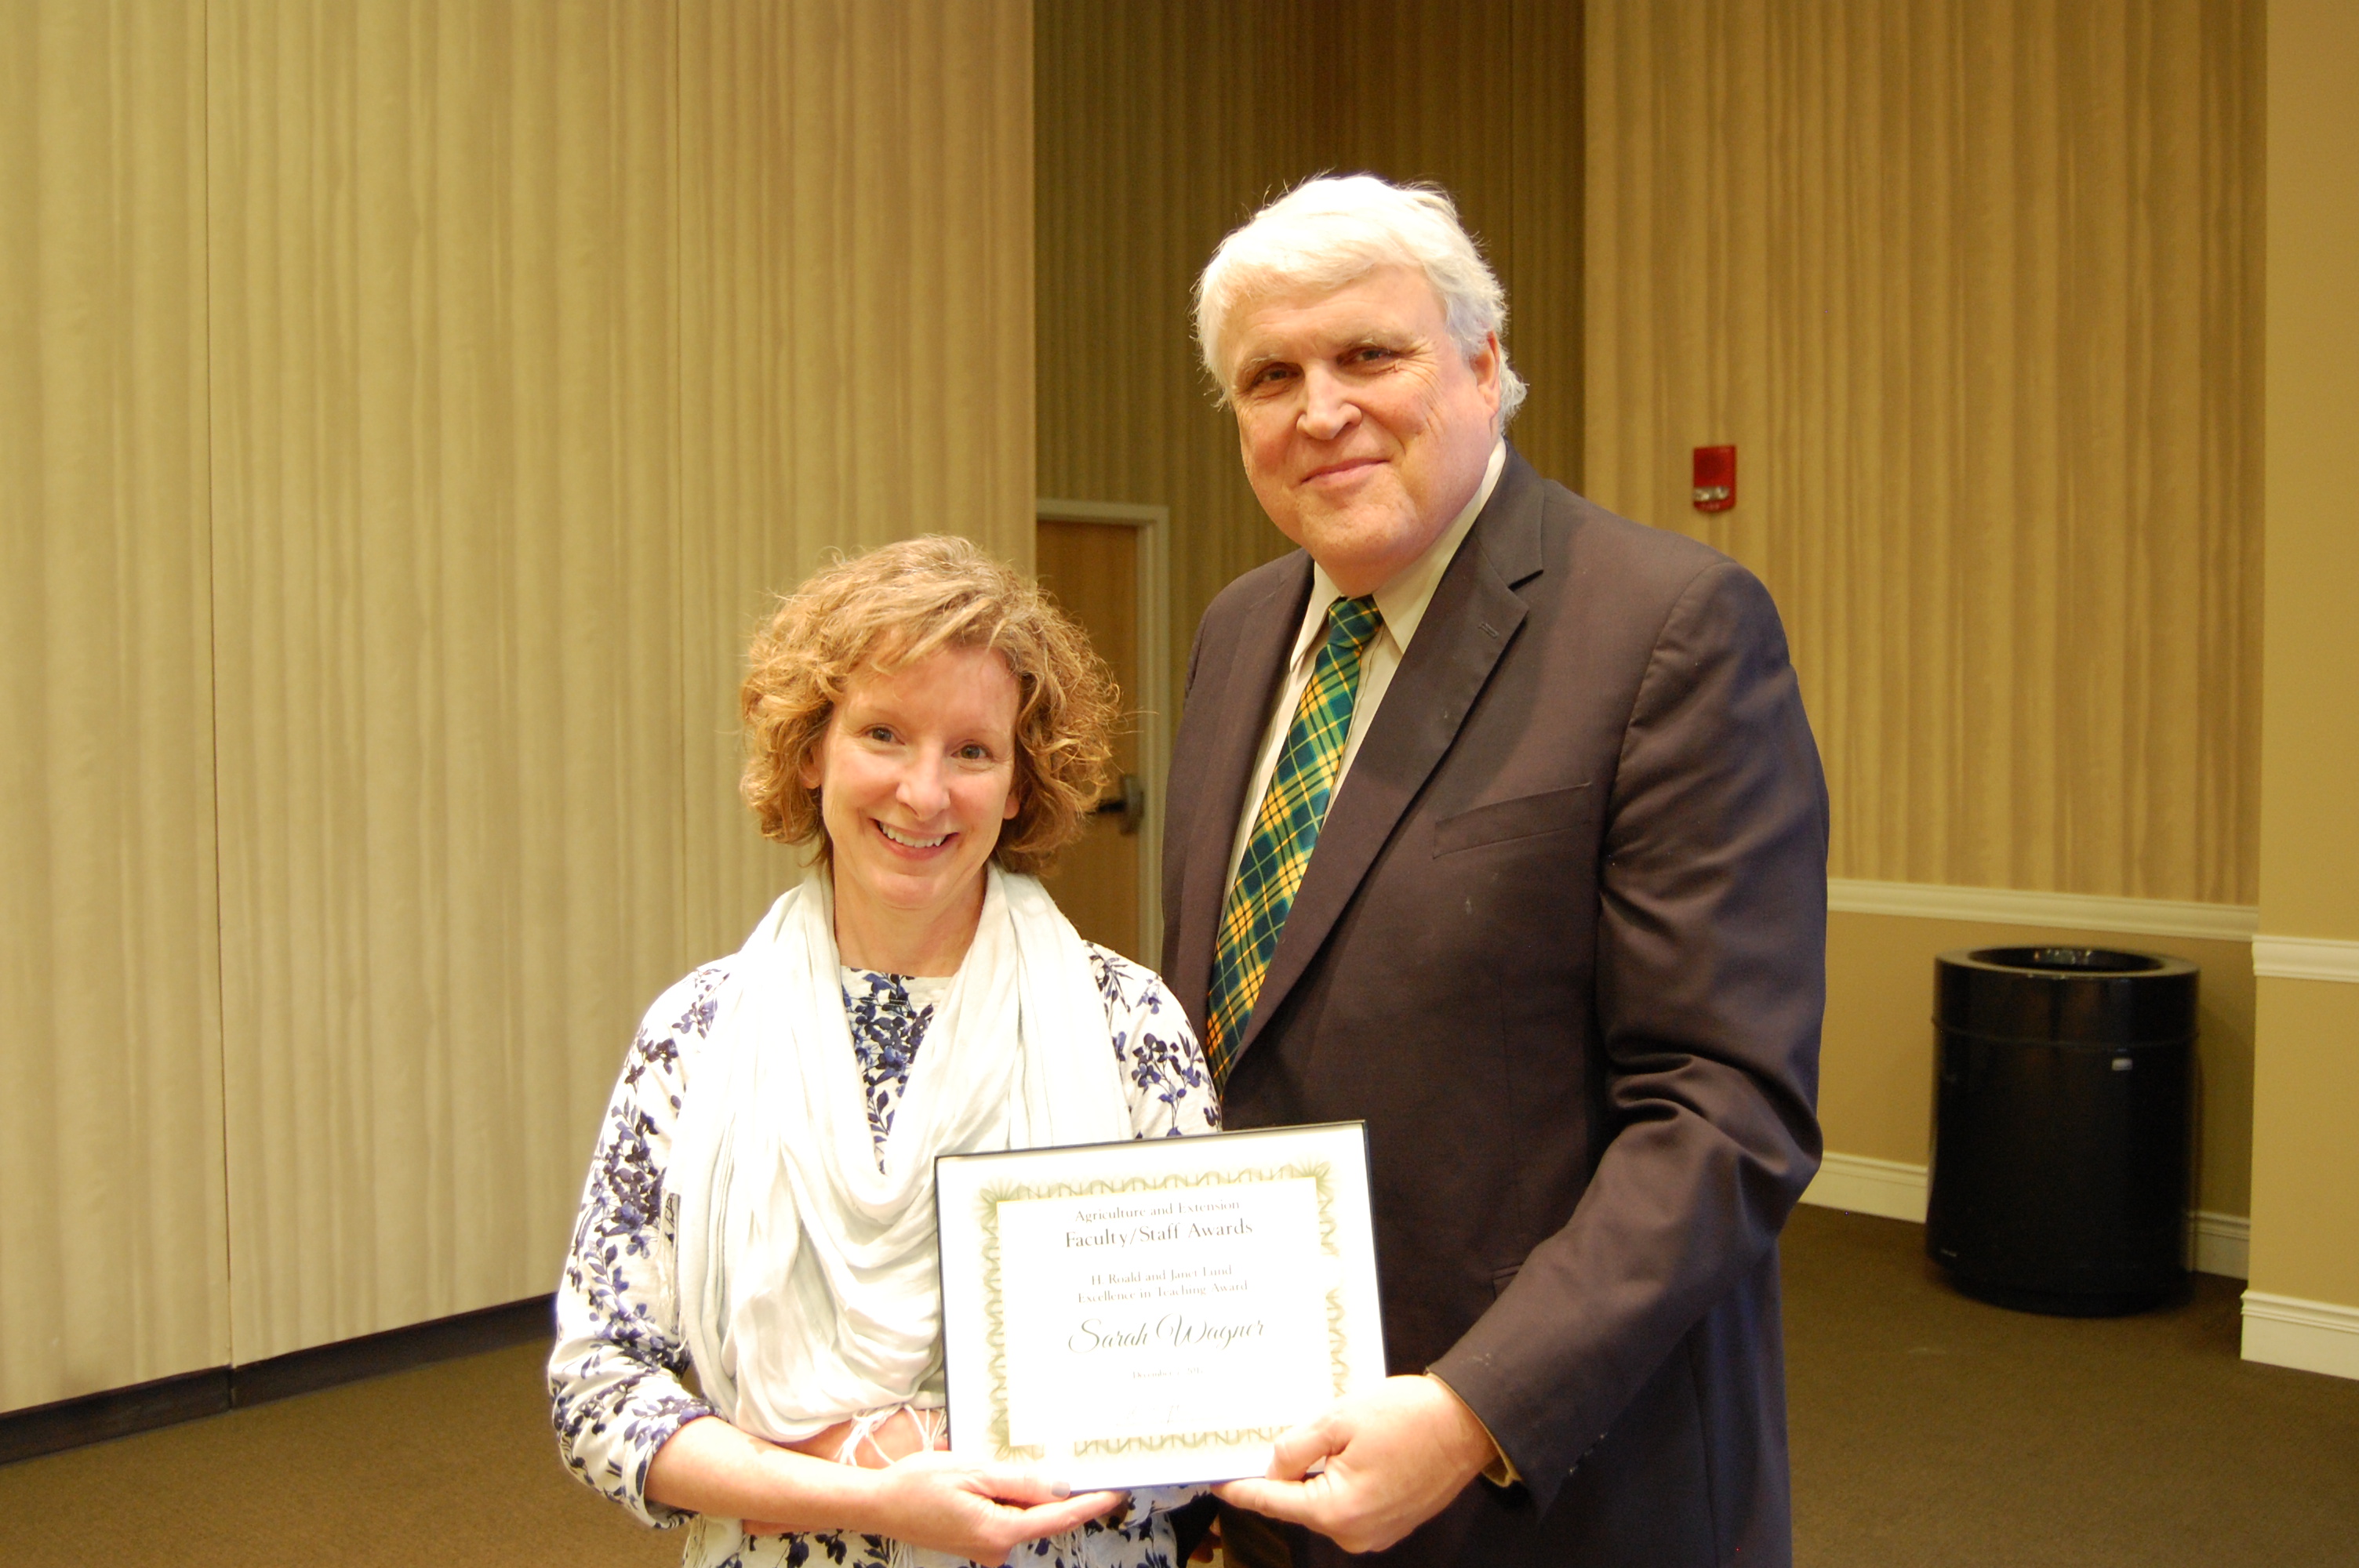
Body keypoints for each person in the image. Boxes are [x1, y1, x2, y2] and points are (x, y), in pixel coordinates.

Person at [1160, 176, 1828, 1567]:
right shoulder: (1237, 633)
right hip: (1279, 1454)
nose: (1319, 408)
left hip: (1559, 1480)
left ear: (1483, 365)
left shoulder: (1668, 631)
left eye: (1370, 355)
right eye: (1270, 375)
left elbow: (1723, 1111)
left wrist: (1474, 1410)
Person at [551, 535, 1219, 1568]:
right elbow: (599, 1388)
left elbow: (1210, 1385)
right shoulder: (694, 1034)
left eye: (972, 750)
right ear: (812, 749)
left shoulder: (1128, 1026)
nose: (923, 791)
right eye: (883, 733)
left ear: (1019, 781)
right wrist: (868, 1483)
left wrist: (891, 1467)